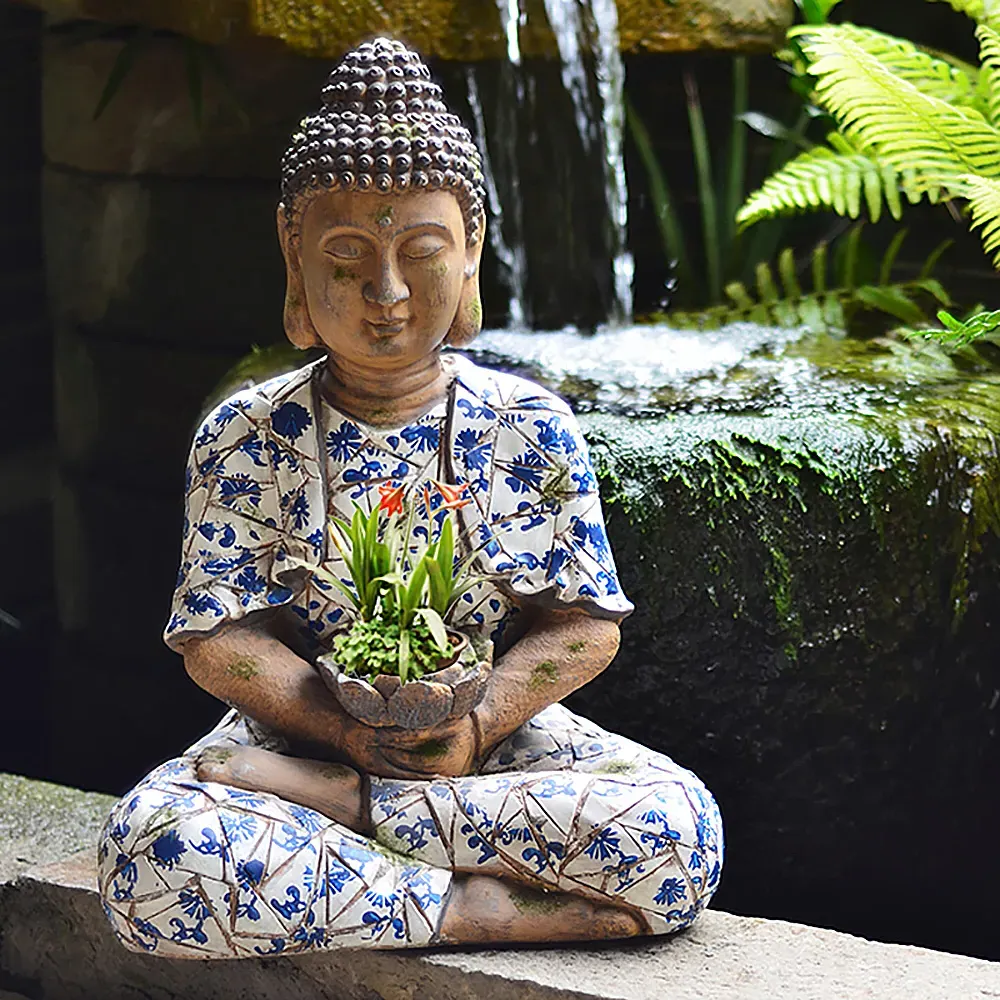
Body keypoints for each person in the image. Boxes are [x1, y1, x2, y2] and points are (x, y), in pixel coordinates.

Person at [97, 37, 723, 957]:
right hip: (293, 741)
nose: (386, 292)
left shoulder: (528, 425)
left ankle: (356, 829)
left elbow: (584, 625)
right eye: (347, 252)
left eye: (421, 250)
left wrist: (476, 725)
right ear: (292, 249)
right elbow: (220, 642)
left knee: (678, 830)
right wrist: (335, 733)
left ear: (471, 250)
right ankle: (472, 910)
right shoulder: (246, 432)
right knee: (152, 854)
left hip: (490, 749)